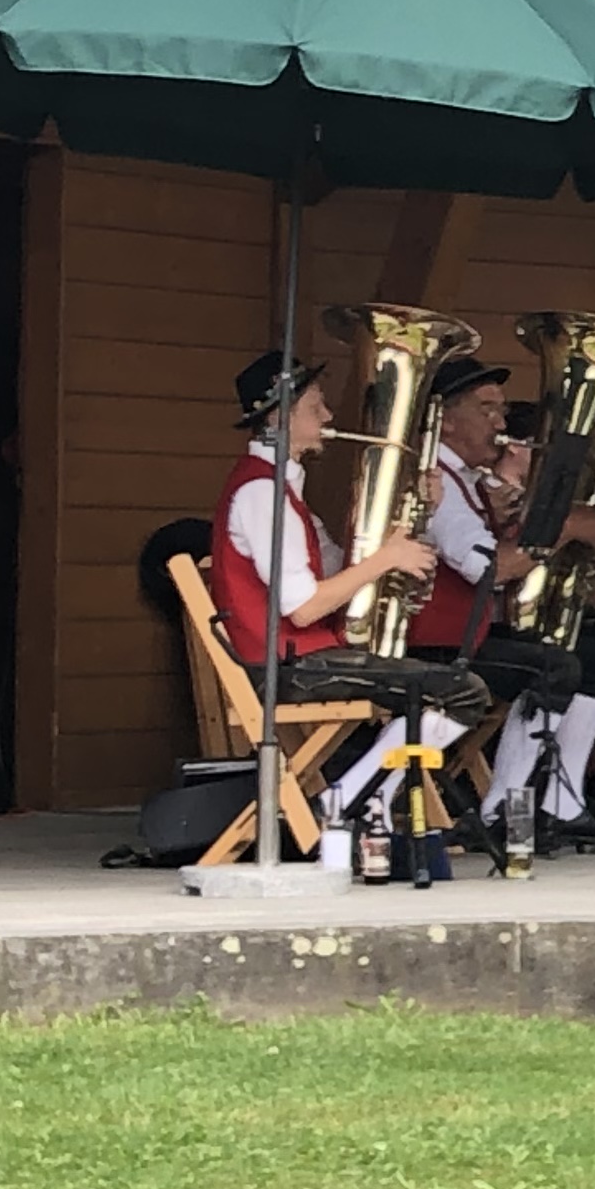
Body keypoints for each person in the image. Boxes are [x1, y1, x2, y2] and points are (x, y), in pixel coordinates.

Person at [204, 349, 486, 838]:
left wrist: (412, 515)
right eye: (316, 408)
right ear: (280, 417)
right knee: (460, 691)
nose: (329, 417)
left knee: (442, 684)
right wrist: (385, 560)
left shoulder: (279, 490)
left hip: (297, 659)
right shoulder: (262, 494)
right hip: (286, 667)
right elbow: (305, 604)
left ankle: (360, 796)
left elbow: (333, 569)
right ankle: (353, 798)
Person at [407, 358, 589, 840]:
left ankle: (508, 804)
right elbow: (487, 569)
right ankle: (503, 808)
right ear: (445, 419)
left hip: (463, 634)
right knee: (555, 668)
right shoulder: (436, 483)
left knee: (562, 658)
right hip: (436, 643)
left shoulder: (464, 479)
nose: (501, 424)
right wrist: (562, 530)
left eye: (501, 412)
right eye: (487, 411)